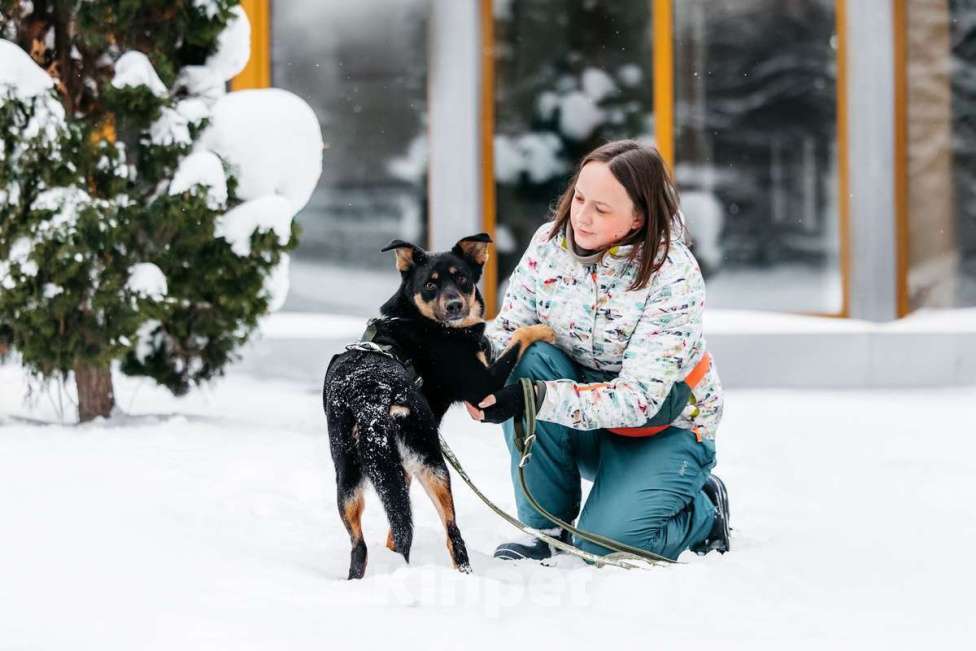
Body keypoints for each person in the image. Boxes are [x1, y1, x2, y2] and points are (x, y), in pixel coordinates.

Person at [465, 140, 730, 562]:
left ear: (638, 217)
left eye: (602, 209)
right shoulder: (549, 245)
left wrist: (534, 398)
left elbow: (639, 399)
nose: (582, 217)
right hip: (587, 422)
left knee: (603, 548)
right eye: (580, 198)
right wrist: (467, 370)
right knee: (524, 358)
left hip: (662, 429)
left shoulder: (673, 277)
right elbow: (511, 331)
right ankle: (546, 528)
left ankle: (702, 509)